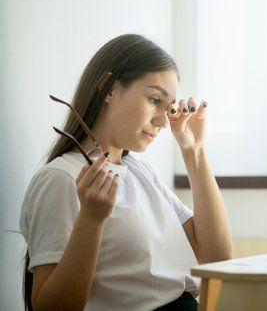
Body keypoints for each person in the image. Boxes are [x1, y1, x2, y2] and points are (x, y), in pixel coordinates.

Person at [19, 34, 232, 311]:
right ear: (108, 87)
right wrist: (92, 219)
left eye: (168, 108)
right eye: (155, 99)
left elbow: (215, 257)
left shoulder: (139, 171)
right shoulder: (61, 178)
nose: (162, 121)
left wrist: (195, 152)